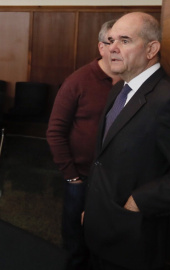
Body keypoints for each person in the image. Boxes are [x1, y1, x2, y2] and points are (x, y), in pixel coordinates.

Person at [82, 12, 170, 270]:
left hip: (133, 239)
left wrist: (138, 202)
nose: (111, 48)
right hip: (102, 228)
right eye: (111, 40)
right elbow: (105, 159)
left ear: (151, 49)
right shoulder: (119, 89)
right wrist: (93, 209)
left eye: (124, 40)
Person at [46, 20, 120, 269]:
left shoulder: (134, 82)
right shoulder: (77, 81)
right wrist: (71, 178)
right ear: (101, 47)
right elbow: (55, 132)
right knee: (75, 243)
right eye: (112, 42)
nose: (118, 48)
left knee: (110, 246)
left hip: (117, 181)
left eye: (126, 41)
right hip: (82, 178)